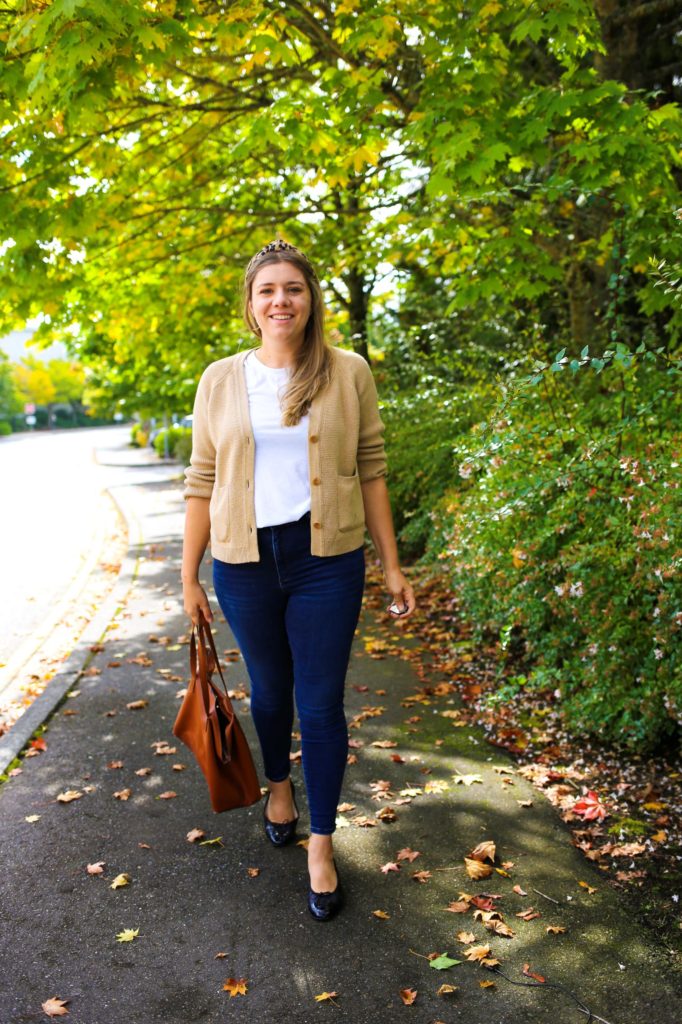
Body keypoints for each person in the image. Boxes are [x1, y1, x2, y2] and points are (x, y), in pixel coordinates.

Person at [181, 238, 416, 921]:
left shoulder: (347, 372)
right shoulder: (220, 379)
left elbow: (370, 467)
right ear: (251, 307)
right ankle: (278, 785)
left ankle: (321, 844)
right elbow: (202, 479)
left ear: (310, 301)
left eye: (293, 288)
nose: (280, 299)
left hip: (326, 561)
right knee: (271, 695)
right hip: (244, 563)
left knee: (319, 705)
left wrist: (392, 565)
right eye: (267, 291)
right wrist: (188, 577)